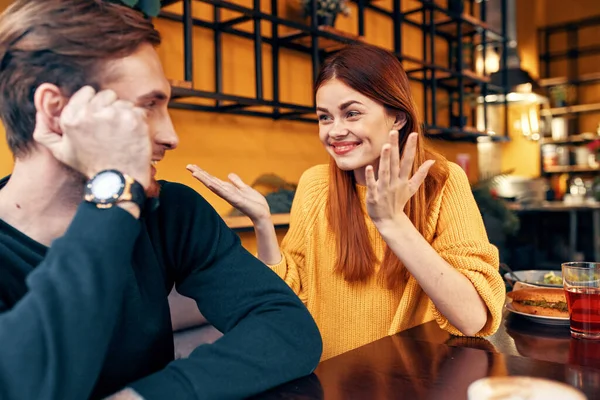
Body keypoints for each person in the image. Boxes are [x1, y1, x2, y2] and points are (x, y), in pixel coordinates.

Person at [0, 1, 322, 399]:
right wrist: (115, 185)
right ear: (56, 111)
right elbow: (25, 382)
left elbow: (289, 329)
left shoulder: (170, 212)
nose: (171, 136)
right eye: (148, 106)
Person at [189, 43, 506, 361]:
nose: (335, 131)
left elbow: (473, 319)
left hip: (406, 381)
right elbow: (290, 297)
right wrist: (263, 224)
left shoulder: (440, 181)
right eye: (325, 117)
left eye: (351, 113)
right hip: (323, 375)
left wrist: (393, 222)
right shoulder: (316, 184)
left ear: (396, 117)